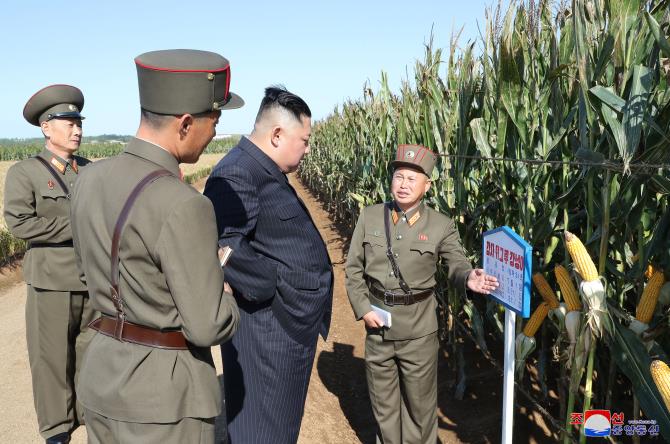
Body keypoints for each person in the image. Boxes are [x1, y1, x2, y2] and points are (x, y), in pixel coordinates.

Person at [69, 49, 242, 443]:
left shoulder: (88, 179)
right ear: (184, 123)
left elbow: (86, 272)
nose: (215, 130)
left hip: (102, 376)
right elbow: (207, 325)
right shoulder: (185, 204)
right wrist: (225, 295)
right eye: (213, 119)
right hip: (164, 401)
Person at [203, 85, 333, 443]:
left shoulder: (263, 168)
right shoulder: (238, 173)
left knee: (278, 425)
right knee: (264, 430)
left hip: (280, 327)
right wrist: (272, 285)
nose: (307, 148)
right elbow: (226, 243)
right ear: (277, 134)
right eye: (303, 140)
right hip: (269, 332)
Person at [345, 144, 499, 444]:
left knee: (419, 408)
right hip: (377, 326)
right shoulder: (370, 216)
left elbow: (456, 262)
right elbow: (353, 269)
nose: (403, 185)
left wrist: (469, 276)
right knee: (384, 406)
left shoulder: (441, 225)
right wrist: (364, 308)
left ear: (427, 186)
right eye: (398, 176)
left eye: (412, 179)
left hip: (418, 331)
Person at [3, 84, 95, 444]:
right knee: (52, 361)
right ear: (46, 128)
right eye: (68, 122)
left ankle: (91, 419)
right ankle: (57, 431)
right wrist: (77, 223)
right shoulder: (25, 173)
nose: (77, 130)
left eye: (79, 123)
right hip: (52, 283)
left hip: (92, 281)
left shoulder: (90, 170)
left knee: (91, 354)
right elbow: (20, 222)